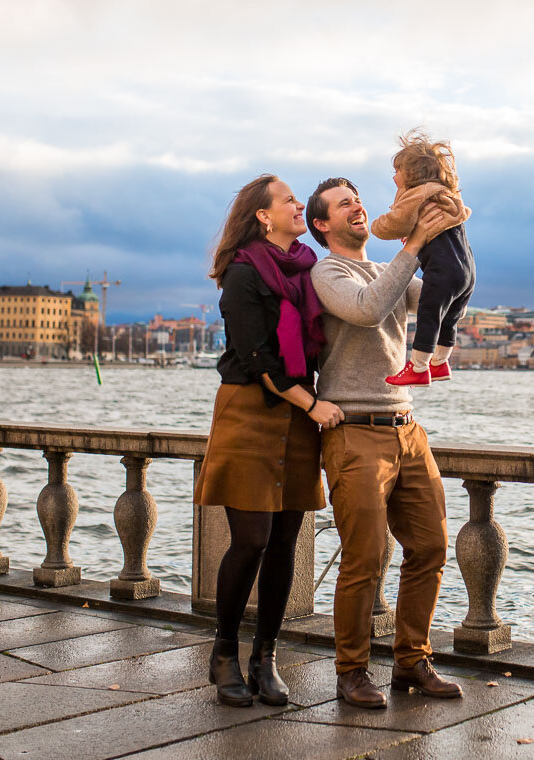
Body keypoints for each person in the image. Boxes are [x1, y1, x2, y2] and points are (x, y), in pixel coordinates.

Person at [305, 175, 464, 709]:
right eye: (342, 204)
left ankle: (411, 662)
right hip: (354, 433)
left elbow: (437, 294)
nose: (357, 207)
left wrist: (450, 239)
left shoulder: (383, 268)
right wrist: (413, 247)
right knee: (365, 559)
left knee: (431, 548)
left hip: (407, 428)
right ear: (322, 224)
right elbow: (370, 308)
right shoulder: (327, 272)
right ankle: (351, 670)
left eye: (357, 199)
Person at [195, 174, 344, 707]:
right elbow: (258, 360)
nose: (298, 205)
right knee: (252, 539)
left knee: (284, 543)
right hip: (251, 413)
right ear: (263, 215)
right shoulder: (242, 276)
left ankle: (265, 657)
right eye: (288, 200)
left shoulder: (308, 269)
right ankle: (223, 653)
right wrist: (314, 404)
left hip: (300, 413)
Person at [371, 131, 473, 387]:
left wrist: (377, 226)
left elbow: (395, 223)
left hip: (442, 269)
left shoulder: (418, 193)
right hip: (467, 270)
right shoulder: (448, 194)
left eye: (397, 171)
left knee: (430, 314)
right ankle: (440, 363)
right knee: (449, 317)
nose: (394, 176)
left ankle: (418, 367)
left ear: (412, 174)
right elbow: (464, 213)